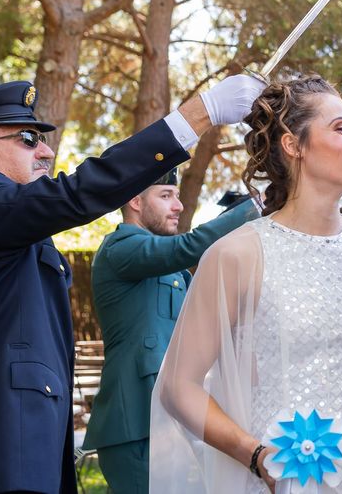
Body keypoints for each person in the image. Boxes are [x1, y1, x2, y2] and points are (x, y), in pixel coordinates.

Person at [0, 75, 262, 493]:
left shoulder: (11, 221)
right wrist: (198, 115)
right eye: (26, 138)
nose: (46, 151)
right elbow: (76, 194)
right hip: (16, 443)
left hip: (26, 440)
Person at [149, 76, 342, 493]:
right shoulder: (237, 256)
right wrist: (256, 456)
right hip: (290, 480)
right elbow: (177, 386)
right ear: (293, 145)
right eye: (341, 127)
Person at [82, 168, 259, 493]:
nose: (177, 206)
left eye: (177, 196)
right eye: (166, 196)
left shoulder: (168, 267)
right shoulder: (119, 247)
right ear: (135, 201)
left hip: (170, 414)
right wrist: (253, 208)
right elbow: (187, 247)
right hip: (135, 421)